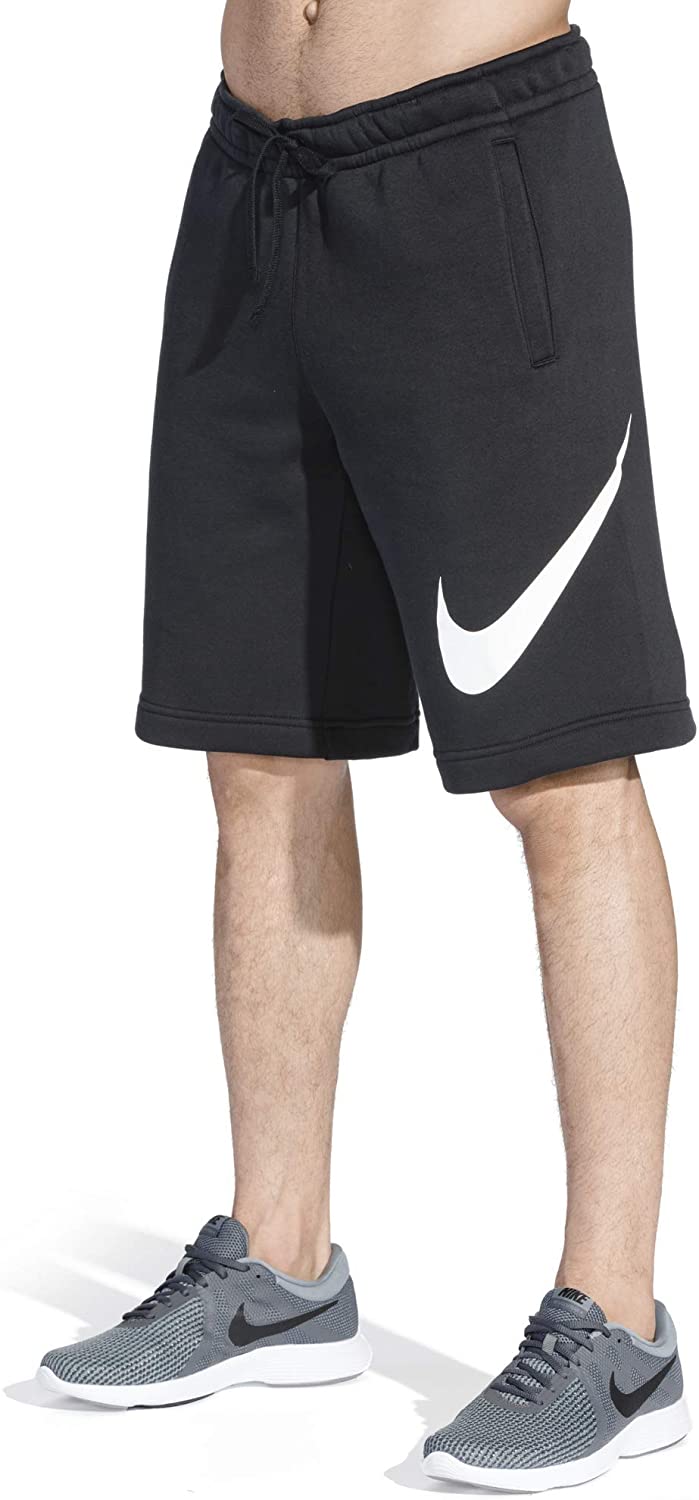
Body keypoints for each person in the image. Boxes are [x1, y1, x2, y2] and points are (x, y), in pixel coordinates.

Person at [39, 2, 693, 1489]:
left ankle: (618, 1326)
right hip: (251, 184)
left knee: (561, 769)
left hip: (479, 170)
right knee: (261, 750)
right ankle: (281, 1266)